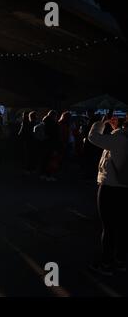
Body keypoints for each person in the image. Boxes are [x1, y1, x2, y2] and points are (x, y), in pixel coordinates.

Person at [88, 114, 128, 276]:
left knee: (109, 227)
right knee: (123, 227)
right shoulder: (121, 138)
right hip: (125, 188)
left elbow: (93, 137)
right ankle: (120, 260)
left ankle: (105, 264)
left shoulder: (120, 139)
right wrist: (116, 130)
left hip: (111, 187)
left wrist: (101, 122)